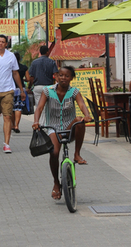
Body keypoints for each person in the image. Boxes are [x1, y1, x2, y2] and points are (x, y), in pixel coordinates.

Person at [32, 66, 92, 201]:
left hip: (69, 127)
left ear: (71, 78)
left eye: (66, 76)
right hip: (53, 128)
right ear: (56, 77)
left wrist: (87, 115)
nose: (63, 78)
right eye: (61, 75)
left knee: (79, 121)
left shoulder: (74, 91)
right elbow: (40, 107)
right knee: (54, 153)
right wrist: (36, 121)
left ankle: (77, 154)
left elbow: (82, 104)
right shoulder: (48, 91)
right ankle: (56, 183)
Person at [28, 44, 58, 124]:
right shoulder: (52, 62)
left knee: (39, 106)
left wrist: (29, 87)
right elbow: (56, 74)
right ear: (47, 52)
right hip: (49, 87)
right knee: (49, 106)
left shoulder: (34, 62)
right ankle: (49, 123)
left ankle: (41, 124)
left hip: (38, 87)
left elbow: (31, 77)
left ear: (40, 52)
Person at [12, 52, 28, 133]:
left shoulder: (10, 67)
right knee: (18, 108)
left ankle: (12, 124)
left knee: (11, 108)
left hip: (10, 88)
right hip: (20, 88)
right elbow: (28, 78)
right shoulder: (23, 67)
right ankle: (16, 125)